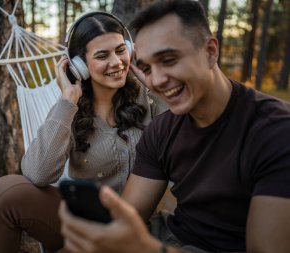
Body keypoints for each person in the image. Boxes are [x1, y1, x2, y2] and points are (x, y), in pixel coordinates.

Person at [58, 1, 290, 252]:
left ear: (211, 51)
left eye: (169, 59)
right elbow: (127, 219)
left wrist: (145, 248)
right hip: (172, 239)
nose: (155, 80)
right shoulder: (161, 129)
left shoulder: (276, 131)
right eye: (146, 68)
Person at [0, 12, 167, 253]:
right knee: (1, 195)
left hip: (137, 224)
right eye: (102, 55)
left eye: (121, 50)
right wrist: (68, 102)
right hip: (83, 221)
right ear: (79, 66)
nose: (117, 62)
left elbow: (185, 127)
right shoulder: (69, 108)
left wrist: (151, 80)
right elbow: (37, 174)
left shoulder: (148, 96)